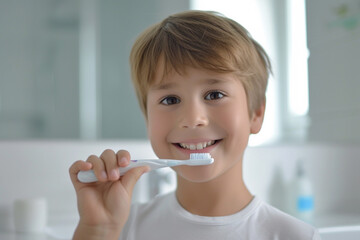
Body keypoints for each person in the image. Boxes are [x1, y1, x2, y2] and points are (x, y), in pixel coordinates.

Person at [69, 10, 321, 240]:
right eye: (170, 99)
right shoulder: (121, 227)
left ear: (255, 113)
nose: (191, 118)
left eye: (214, 95)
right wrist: (98, 230)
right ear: (147, 117)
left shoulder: (296, 236)